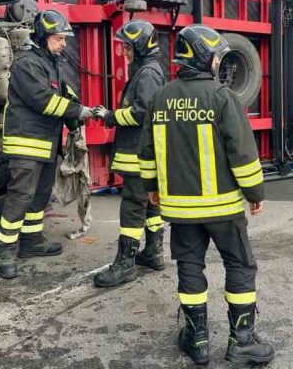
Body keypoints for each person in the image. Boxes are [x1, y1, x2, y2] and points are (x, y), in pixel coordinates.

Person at [137, 25, 274, 366]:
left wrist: (152, 188)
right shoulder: (222, 97)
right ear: (203, 58)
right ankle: (242, 341)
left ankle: (196, 340)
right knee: (239, 264)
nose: (218, 63)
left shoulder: (160, 98)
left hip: (180, 210)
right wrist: (254, 193)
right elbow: (243, 153)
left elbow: (147, 153)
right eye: (216, 58)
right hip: (223, 208)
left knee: (189, 266)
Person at [0, 9, 95, 280]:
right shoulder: (26, 64)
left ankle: (31, 241)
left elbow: (62, 94)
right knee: (20, 197)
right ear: (43, 37)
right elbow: (43, 100)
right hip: (26, 144)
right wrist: (79, 111)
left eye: (64, 39)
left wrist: (76, 116)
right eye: (59, 38)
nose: (64, 44)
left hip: (45, 144)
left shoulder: (50, 63)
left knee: (39, 196)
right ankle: (5, 252)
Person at [93, 20, 167, 288]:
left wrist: (109, 116)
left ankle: (125, 264)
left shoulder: (146, 74)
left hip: (138, 154)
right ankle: (154, 252)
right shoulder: (148, 70)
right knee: (150, 204)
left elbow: (142, 112)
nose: (124, 52)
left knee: (133, 207)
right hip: (143, 152)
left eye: (127, 47)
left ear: (140, 47)